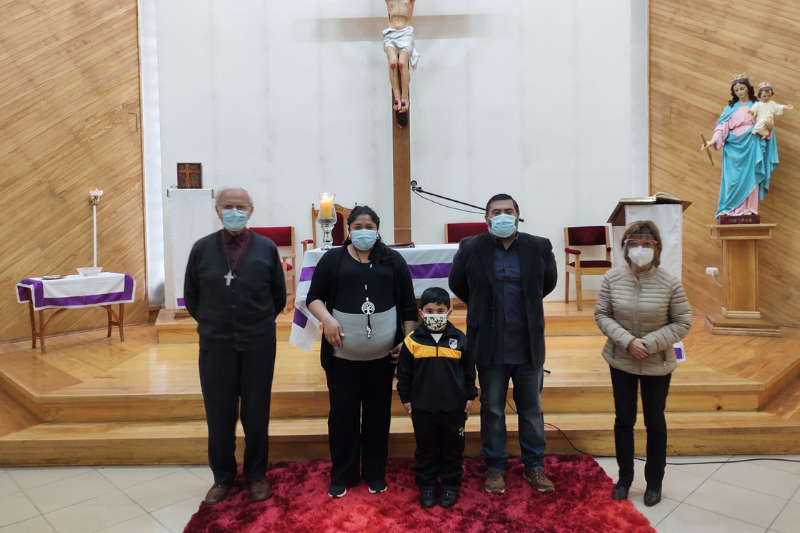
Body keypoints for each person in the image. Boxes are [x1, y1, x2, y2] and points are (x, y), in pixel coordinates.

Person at [448, 193, 558, 496]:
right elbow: (458, 283)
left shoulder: (539, 246)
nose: (502, 215)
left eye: (508, 210)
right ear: (486, 218)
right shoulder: (471, 247)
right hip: (490, 343)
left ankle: (534, 465)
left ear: (518, 215)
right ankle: (495, 467)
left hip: (527, 344)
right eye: (496, 212)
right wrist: (483, 307)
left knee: (531, 409)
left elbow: (546, 283)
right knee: (493, 409)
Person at [184, 186, 286, 505]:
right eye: (228, 205)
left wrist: (256, 322)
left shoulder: (267, 248)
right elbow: (191, 296)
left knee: (257, 414)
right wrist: (214, 322)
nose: (234, 210)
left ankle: (256, 476)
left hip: (258, 344)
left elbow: (279, 296)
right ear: (217, 210)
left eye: (240, 206)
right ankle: (223, 477)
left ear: (250, 211)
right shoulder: (201, 249)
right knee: (219, 414)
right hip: (216, 344)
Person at [306, 205, 418, 498]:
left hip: (382, 359)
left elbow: (408, 304)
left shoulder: (393, 260)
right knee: (342, 416)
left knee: (377, 416)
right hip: (342, 358)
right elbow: (313, 298)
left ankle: (374, 472)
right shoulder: (334, 259)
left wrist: (406, 343)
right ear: (349, 230)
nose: (363, 232)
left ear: (378, 229)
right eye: (357, 227)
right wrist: (328, 320)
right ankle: (342, 473)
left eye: (369, 226)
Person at [594, 220, 692, 507]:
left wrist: (649, 343)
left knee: (655, 422)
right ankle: (625, 479)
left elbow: (683, 322)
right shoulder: (612, 279)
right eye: (634, 243)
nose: (640, 249)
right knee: (624, 420)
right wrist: (627, 341)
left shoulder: (670, 282)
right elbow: (602, 315)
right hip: (621, 359)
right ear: (625, 248)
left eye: (646, 244)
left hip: (657, 363)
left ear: (657, 248)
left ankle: (654, 482)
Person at [396, 287, 476, 509]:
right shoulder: (412, 341)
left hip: (454, 409)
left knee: (453, 448)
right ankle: (427, 486)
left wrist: (470, 396)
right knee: (426, 449)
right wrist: (406, 399)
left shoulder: (460, 339)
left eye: (440, 310)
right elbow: (404, 375)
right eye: (429, 310)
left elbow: (469, 372)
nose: (435, 314)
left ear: (449, 312)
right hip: (423, 408)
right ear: (421, 313)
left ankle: (451, 485)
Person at [702, 73, 780, 217]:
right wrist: (713, 140)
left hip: (751, 144)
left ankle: (749, 209)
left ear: (748, 88)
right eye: (736, 90)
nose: (739, 92)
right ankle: (729, 209)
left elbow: (765, 123)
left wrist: (769, 127)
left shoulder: (757, 105)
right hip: (733, 148)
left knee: (751, 176)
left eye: (742, 88)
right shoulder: (730, 108)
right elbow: (722, 127)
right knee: (732, 180)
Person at [384, 0, 419, 114]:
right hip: (391, 33)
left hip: (406, 33)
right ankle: (397, 97)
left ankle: (405, 97)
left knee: (402, 63)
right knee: (393, 63)